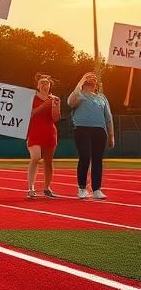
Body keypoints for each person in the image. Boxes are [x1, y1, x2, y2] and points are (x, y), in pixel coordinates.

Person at [67, 71, 115, 199]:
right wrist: (81, 80)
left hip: (99, 130)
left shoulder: (102, 97)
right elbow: (70, 102)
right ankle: (82, 188)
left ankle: (96, 189)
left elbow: (109, 117)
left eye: (93, 78)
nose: (91, 80)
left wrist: (111, 135)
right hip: (82, 129)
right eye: (88, 78)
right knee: (85, 157)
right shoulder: (79, 94)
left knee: (97, 160)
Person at [25, 73, 60, 199]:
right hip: (34, 131)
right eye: (42, 83)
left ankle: (47, 188)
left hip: (50, 132)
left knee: (48, 162)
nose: (45, 85)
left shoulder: (54, 99)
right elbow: (28, 113)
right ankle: (31, 188)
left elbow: (55, 117)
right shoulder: (31, 97)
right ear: (38, 85)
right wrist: (44, 105)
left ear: (50, 86)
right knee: (35, 157)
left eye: (47, 83)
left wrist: (55, 105)